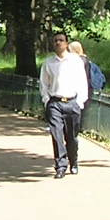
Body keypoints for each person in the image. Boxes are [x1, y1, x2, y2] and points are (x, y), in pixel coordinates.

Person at [39, 31, 89, 178]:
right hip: (55, 103)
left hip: (72, 102)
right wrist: (47, 101)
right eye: (55, 41)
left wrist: (79, 102)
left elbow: (82, 82)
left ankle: (73, 160)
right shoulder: (48, 63)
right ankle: (60, 165)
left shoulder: (75, 61)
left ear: (66, 43)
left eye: (61, 40)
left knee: (71, 137)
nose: (58, 43)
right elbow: (44, 84)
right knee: (57, 135)